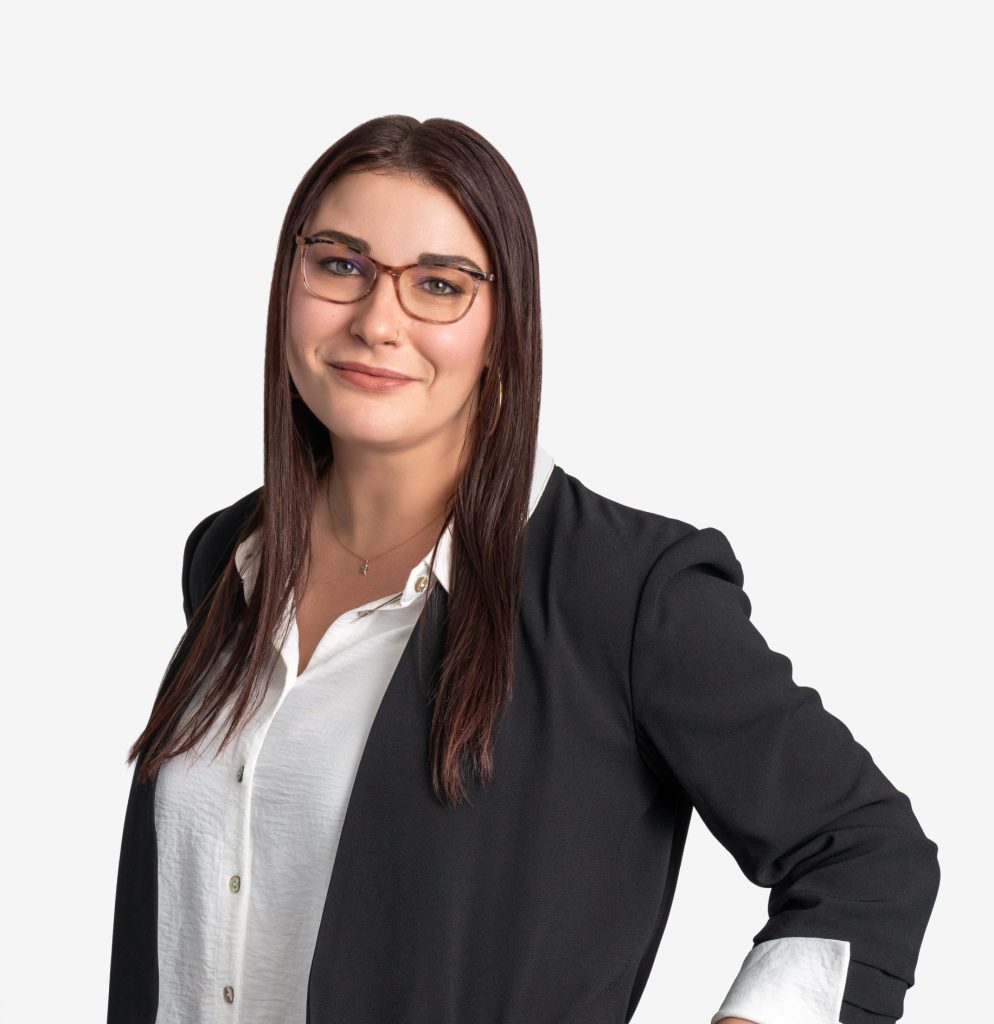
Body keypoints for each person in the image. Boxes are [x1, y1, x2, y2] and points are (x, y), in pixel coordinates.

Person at [107, 115, 940, 1024]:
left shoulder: (623, 591)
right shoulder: (229, 557)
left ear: (504, 327)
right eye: (340, 265)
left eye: (439, 284)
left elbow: (867, 857)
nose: (377, 321)